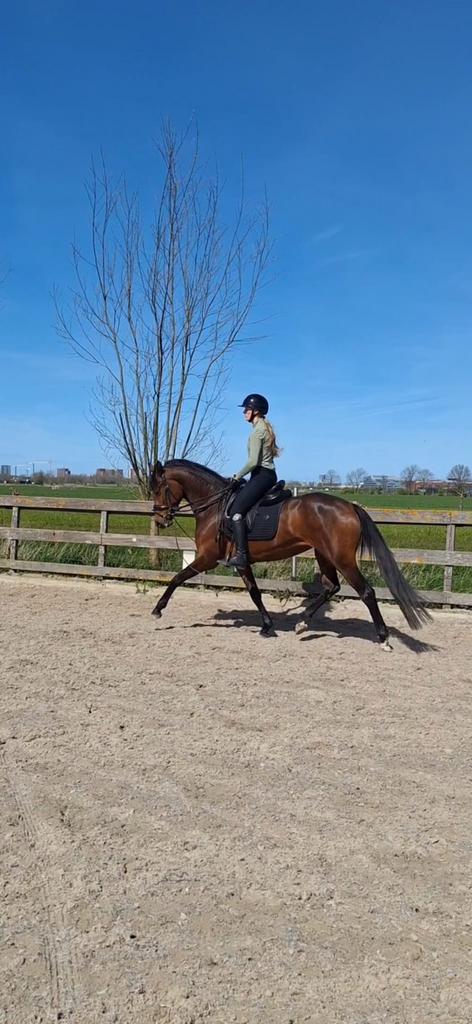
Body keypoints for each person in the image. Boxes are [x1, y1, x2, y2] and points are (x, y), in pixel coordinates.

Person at [225, 393, 281, 569]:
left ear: (256, 411)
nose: (244, 413)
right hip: (263, 475)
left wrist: (236, 477)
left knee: (236, 512)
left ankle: (242, 555)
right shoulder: (263, 427)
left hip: (262, 475)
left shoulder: (258, 431)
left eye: (246, 410)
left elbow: (252, 462)